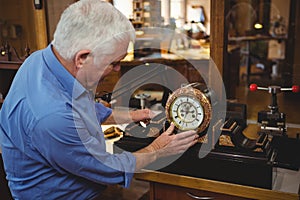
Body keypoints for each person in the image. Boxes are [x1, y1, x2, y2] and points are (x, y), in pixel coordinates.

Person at [0, 0, 199, 199]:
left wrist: (133, 115)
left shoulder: (43, 60)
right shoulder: (51, 117)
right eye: (114, 63)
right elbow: (108, 168)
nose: (118, 69)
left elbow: (79, 107)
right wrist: (158, 149)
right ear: (82, 58)